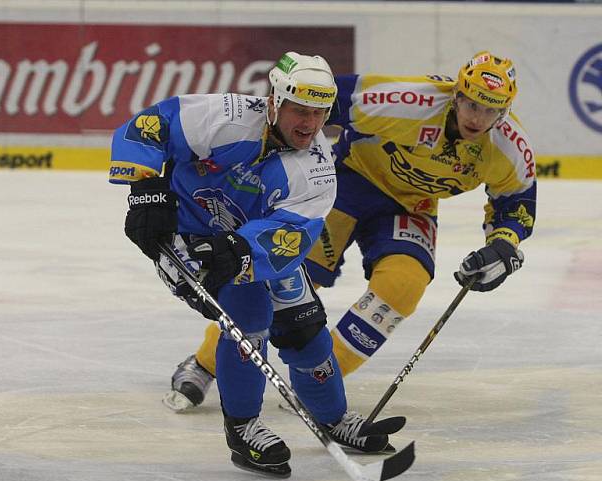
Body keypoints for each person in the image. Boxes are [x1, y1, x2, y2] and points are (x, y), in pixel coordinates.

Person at [164, 51, 537, 437]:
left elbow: (516, 203)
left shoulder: (510, 149)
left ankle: (321, 384)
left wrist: (503, 246)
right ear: (457, 95)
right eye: (471, 103)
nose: (477, 118)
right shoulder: (410, 101)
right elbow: (329, 98)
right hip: (348, 183)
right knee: (285, 276)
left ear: (504, 113)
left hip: (414, 208)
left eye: (490, 111)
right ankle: (205, 363)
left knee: (403, 285)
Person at [109, 52, 395, 479]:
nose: (309, 124)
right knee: (248, 315)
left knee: (306, 333)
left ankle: (333, 419)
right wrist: (148, 188)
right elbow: (150, 125)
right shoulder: (226, 116)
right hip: (187, 236)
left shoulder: (316, 170)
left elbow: (291, 235)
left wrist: (240, 251)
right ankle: (243, 428)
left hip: (249, 244)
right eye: (300, 110)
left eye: (319, 113)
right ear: (275, 101)